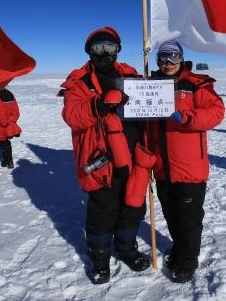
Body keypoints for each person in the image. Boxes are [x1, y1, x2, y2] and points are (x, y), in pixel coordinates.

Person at [60, 26, 152, 284]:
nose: (104, 53)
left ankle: (126, 250)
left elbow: (150, 103)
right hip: (101, 162)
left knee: (132, 208)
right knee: (103, 212)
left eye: (110, 47)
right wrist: (97, 105)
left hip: (135, 158)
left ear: (118, 49)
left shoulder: (131, 75)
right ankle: (100, 260)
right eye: (98, 47)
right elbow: (72, 116)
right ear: (89, 51)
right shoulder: (80, 82)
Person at [149, 40, 225, 283]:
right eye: (163, 58)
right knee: (171, 214)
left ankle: (188, 260)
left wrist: (187, 117)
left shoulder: (196, 84)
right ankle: (179, 249)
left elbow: (216, 112)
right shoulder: (150, 86)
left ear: (181, 58)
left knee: (188, 219)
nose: (168, 63)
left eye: (173, 57)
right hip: (161, 167)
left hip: (189, 168)